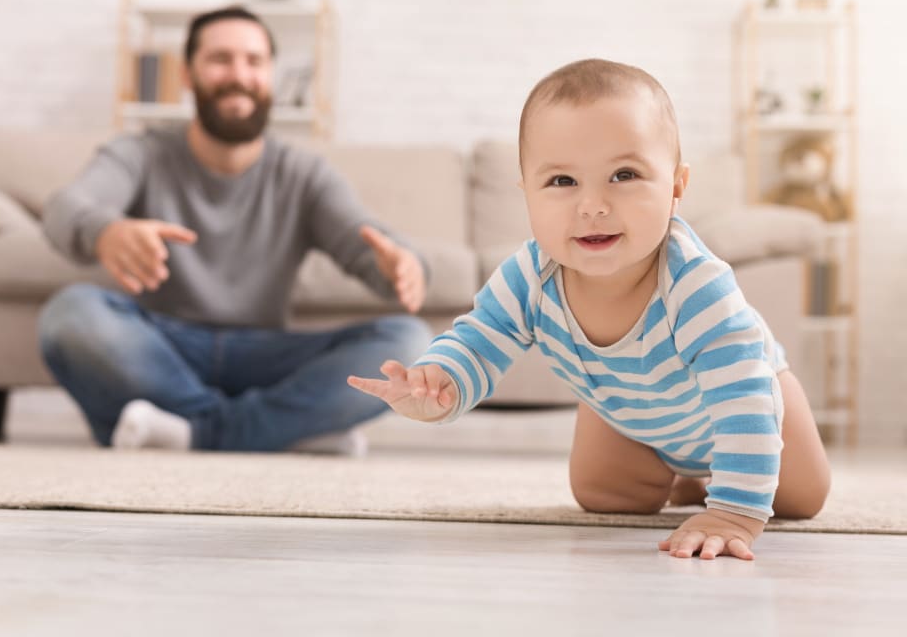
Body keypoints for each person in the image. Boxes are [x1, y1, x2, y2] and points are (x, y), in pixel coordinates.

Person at [348, 58, 831, 559]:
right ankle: (687, 478)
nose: (593, 205)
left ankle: (715, 482)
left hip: (749, 405)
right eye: (562, 181)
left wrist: (733, 512)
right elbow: (481, 336)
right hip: (631, 416)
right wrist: (440, 381)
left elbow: (742, 397)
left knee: (800, 498)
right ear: (527, 196)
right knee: (602, 496)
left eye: (624, 174)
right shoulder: (530, 277)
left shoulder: (696, 285)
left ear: (676, 188)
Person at [39, 6, 433, 455]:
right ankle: (282, 431)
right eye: (221, 59)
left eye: (254, 61)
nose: (239, 74)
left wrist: (405, 266)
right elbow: (64, 207)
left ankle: (189, 432)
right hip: (165, 351)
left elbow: (371, 244)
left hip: (266, 355)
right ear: (188, 74)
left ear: (269, 74)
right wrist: (105, 232)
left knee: (412, 342)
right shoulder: (141, 152)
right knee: (70, 314)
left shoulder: (303, 173)